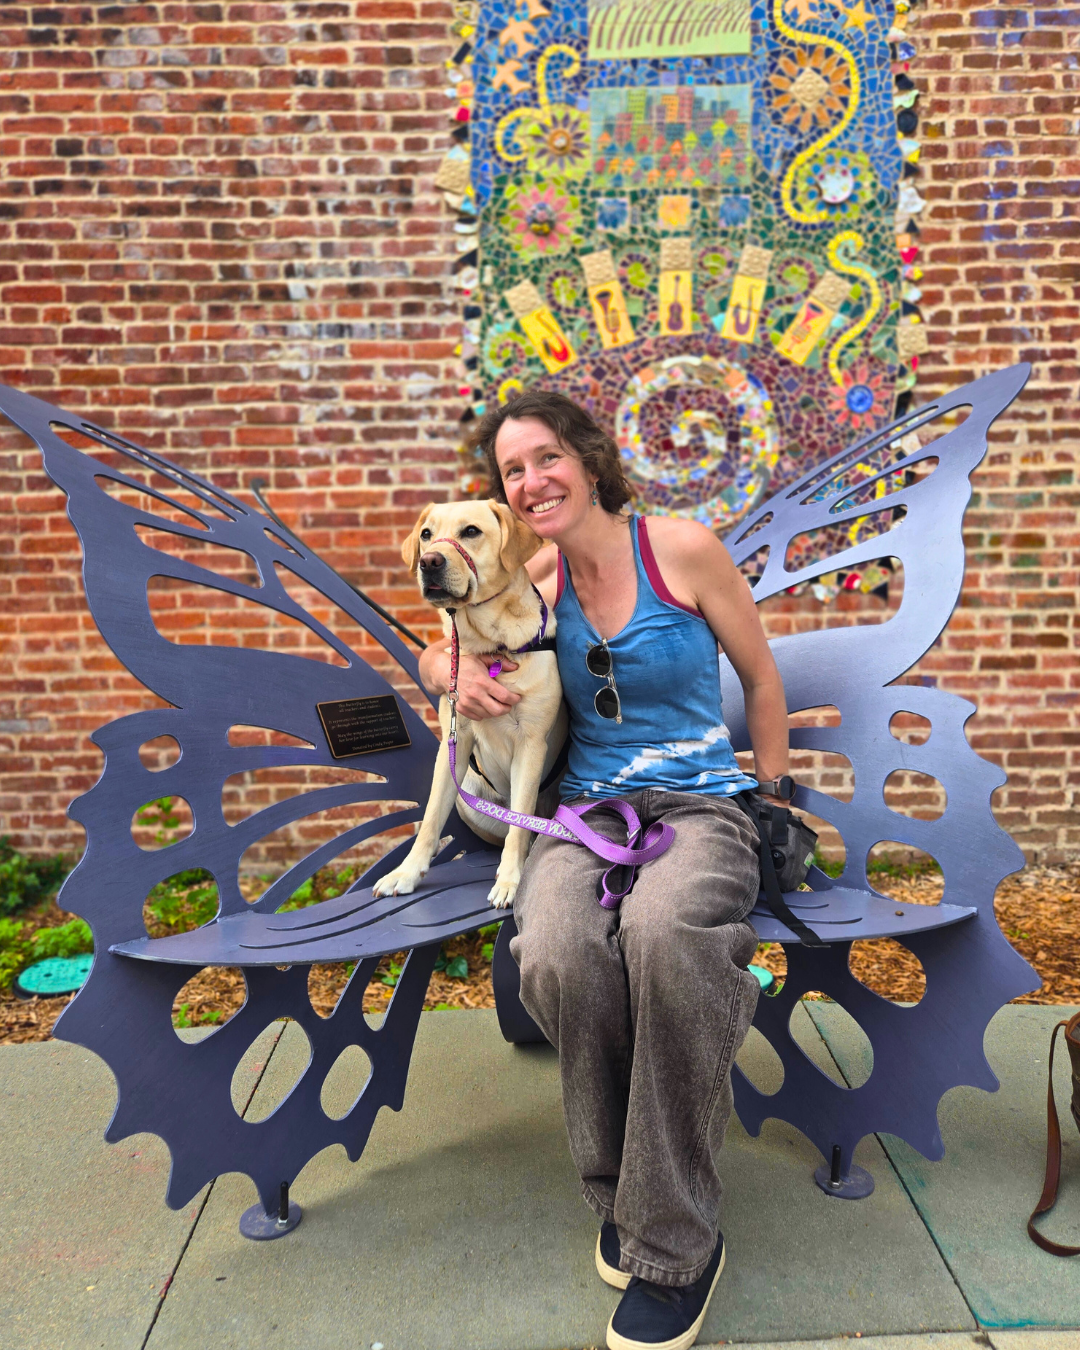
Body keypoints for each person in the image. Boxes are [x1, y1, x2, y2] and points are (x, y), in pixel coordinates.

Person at [417, 390, 792, 1350]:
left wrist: (775, 795)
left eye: (547, 457)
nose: (533, 480)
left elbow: (760, 677)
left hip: (702, 805)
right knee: (553, 949)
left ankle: (674, 1244)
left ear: (588, 458)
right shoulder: (536, 574)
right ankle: (621, 1190)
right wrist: (443, 676)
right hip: (585, 817)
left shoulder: (683, 551)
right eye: (512, 470)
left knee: (668, 942)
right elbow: (441, 637)